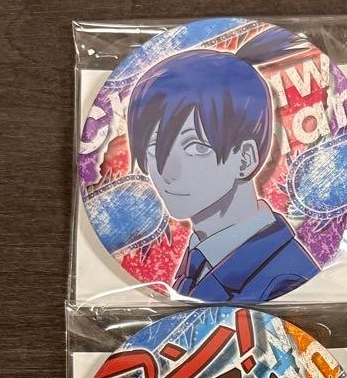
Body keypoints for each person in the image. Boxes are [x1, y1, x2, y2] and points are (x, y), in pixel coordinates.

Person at [127, 30, 318, 302]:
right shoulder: (198, 260)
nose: (167, 171)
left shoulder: (285, 281)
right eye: (155, 147)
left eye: (196, 147)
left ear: (245, 158)